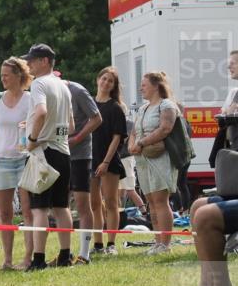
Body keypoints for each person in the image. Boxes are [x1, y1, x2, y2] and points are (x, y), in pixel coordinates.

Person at [22, 43, 74, 270]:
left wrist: (33, 138)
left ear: (44, 61)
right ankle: (65, 256)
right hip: (63, 151)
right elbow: (71, 125)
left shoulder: (39, 84)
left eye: (32, 60)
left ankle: (39, 259)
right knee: (62, 207)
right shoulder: (63, 86)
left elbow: (41, 112)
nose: (29, 64)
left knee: (39, 209)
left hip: (44, 152)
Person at [0, 57, 34, 270]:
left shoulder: (30, 99)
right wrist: (6, 142)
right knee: (4, 213)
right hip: (1, 160)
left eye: (6, 75)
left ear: (18, 75)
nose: (3, 79)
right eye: (1, 75)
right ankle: (7, 260)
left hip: (24, 159)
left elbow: (38, 126)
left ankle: (28, 258)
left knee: (27, 210)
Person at [128, 71, 180, 255]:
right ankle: (157, 242)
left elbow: (165, 128)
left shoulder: (167, 105)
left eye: (144, 84)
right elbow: (134, 131)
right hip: (142, 159)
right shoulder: (143, 108)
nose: (141, 88)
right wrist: (132, 144)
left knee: (160, 200)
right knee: (150, 201)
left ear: (156, 86)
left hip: (161, 158)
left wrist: (142, 143)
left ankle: (165, 244)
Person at [89, 67, 128, 257]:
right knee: (94, 204)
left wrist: (105, 162)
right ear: (98, 80)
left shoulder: (115, 108)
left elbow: (117, 137)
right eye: (104, 79)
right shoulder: (88, 104)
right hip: (89, 159)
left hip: (108, 161)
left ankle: (111, 243)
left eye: (110, 81)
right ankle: (97, 243)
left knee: (111, 202)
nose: (106, 83)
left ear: (114, 86)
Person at [65, 77, 103, 264]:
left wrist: (78, 137)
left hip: (80, 155)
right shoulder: (44, 92)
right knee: (60, 206)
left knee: (82, 205)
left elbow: (97, 118)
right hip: (58, 154)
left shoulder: (78, 91)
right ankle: (65, 252)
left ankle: (85, 254)